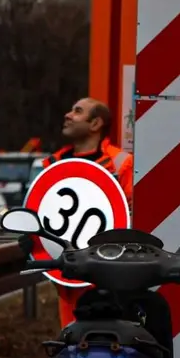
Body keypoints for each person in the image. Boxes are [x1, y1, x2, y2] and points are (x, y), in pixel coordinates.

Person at [41, 97, 135, 329]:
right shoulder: (52, 165)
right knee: (72, 337)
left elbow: (131, 219)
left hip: (109, 274)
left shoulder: (121, 164)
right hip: (67, 273)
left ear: (95, 124)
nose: (68, 115)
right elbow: (42, 216)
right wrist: (34, 240)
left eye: (77, 111)